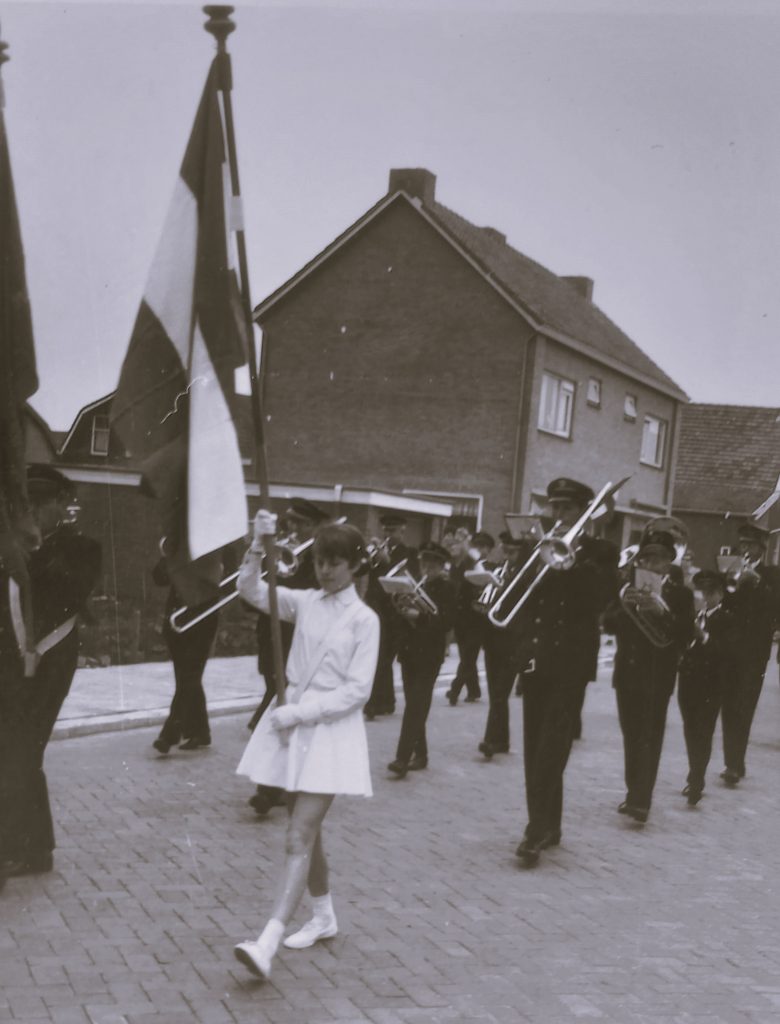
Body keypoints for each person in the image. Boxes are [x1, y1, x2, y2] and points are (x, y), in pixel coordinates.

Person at [233, 511, 379, 980]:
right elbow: (250, 591)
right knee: (307, 831)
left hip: (329, 733)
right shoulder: (306, 603)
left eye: (335, 562)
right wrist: (259, 543)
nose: (325, 570)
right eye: (320, 560)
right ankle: (323, 916)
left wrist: (297, 713)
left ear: (356, 565)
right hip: (293, 730)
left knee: (298, 833)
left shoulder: (365, 619)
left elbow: (357, 693)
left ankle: (267, 942)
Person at [0, 465, 101, 877]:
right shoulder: (13, 548)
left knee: (23, 749)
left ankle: (26, 849)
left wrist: (28, 552)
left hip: (50, 659)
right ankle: (34, 846)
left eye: (43, 505)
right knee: (14, 749)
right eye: (30, 507)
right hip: (14, 662)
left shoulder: (81, 549)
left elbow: (65, 592)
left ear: (61, 506)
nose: (35, 514)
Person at [513, 478, 619, 866]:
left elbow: (601, 599)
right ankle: (548, 824)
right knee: (533, 746)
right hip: (535, 658)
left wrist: (571, 559)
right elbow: (519, 594)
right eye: (553, 508)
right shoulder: (535, 546)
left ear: (584, 513)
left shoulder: (602, 551)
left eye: (565, 509)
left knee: (552, 747)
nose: (556, 516)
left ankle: (535, 830)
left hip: (571, 663)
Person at [604, 530, 694, 825]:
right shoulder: (627, 587)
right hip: (627, 672)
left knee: (650, 736)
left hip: (658, 674)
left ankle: (642, 800)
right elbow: (608, 624)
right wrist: (622, 606)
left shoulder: (680, 594)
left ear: (669, 563)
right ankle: (634, 793)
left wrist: (662, 612)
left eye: (659, 559)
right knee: (631, 734)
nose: (652, 564)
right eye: (647, 558)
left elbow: (686, 634)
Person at [246, 498, 329, 815]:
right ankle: (280, 782)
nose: (293, 529)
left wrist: (283, 569)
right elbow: (253, 598)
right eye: (291, 523)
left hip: (299, 645)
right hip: (272, 637)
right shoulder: (280, 552)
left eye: (301, 524)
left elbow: (309, 596)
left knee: (281, 708)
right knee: (280, 704)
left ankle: (269, 789)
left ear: (314, 527)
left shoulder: (319, 558)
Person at [151, 545, 236, 754]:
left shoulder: (217, 543)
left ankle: (170, 732)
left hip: (204, 615)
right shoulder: (180, 545)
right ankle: (200, 731)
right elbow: (159, 579)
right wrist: (166, 557)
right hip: (177, 615)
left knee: (190, 675)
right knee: (186, 677)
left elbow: (230, 582)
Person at [386, 542, 455, 777]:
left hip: (429, 655)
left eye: (433, 563)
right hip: (408, 651)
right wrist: (402, 610)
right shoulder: (415, 586)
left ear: (441, 565)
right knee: (415, 705)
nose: (428, 567)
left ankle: (401, 759)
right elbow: (400, 618)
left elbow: (446, 622)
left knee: (416, 705)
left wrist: (420, 617)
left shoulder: (448, 588)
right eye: (425, 563)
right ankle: (422, 754)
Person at [719, 522, 780, 786]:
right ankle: (730, 761)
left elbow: (775, 609)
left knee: (744, 705)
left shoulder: (772, 575)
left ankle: (735, 763)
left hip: (755, 652)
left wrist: (757, 584)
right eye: (743, 545)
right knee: (728, 704)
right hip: (729, 649)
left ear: (761, 549)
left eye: (751, 546)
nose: (745, 550)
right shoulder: (729, 570)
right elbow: (721, 602)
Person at [677, 569, 736, 806]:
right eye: (702, 592)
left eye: (711, 592)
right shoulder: (691, 615)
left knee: (704, 731)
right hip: (688, 682)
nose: (706, 597)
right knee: (690, 729)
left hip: (711, 685)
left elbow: (727, 653)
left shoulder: (727, 619)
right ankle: (694, 773)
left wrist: (703, 637)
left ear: (720, 594)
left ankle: (696, 781)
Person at [478, 531, 531, 759]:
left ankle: (491, 740)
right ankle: (502, 740)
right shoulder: (498, 570)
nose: (508, 556)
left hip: (513, 639)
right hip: (492, 637)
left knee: (500, 692)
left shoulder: (525, 576)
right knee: (494, 692)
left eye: (513, 552)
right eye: (505, 551)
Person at [363, 513, 416, 719]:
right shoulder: (378, 551)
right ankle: (386, 701)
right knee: (379, 657)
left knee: (383, 658)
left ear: (402, 531)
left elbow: (407, 579)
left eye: (392, 530)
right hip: (375, 608)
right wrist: (369, 558)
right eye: (385, 530)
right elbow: (362, 571)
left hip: (394, 612)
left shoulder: (409, 553)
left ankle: (376, 703)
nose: (387, 534)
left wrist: (387, 561)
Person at [445, 529, 493, 706]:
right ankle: (474, 690)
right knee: (467, 654)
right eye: (477, 545)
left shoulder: (486, 565)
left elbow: (487, 589)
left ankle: (454, 689)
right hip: (461, 615)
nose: (480, 549)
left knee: (468, 656)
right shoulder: (460, 564)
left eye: (484, 547)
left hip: (477, 617)